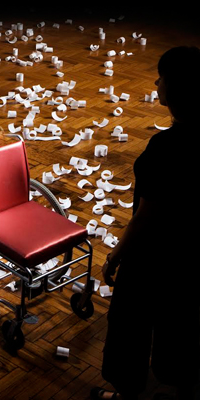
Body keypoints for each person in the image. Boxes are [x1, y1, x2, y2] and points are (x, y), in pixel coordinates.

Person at [90, 46, 200, 400]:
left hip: (154, 254)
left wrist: (116, 254)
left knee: (130, 325)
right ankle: (180, 383)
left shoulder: (166, 148)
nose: (156, 82)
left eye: (162, 77)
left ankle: (125, 392)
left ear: (177, 88)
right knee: (180, 318)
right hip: (190, 253)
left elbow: (147, 214)